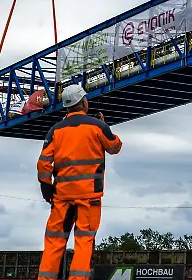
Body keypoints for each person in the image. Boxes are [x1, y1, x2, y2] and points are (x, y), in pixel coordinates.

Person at [36, 85, 122, 280]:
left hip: (62, 196)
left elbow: (43, 162)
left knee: (54, 241)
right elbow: (115, 147)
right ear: (83, 102)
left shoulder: (55, 131)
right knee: (84, 241)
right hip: (89, 197)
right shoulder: (97, 126)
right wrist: (104, 126)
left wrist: (45, 185)